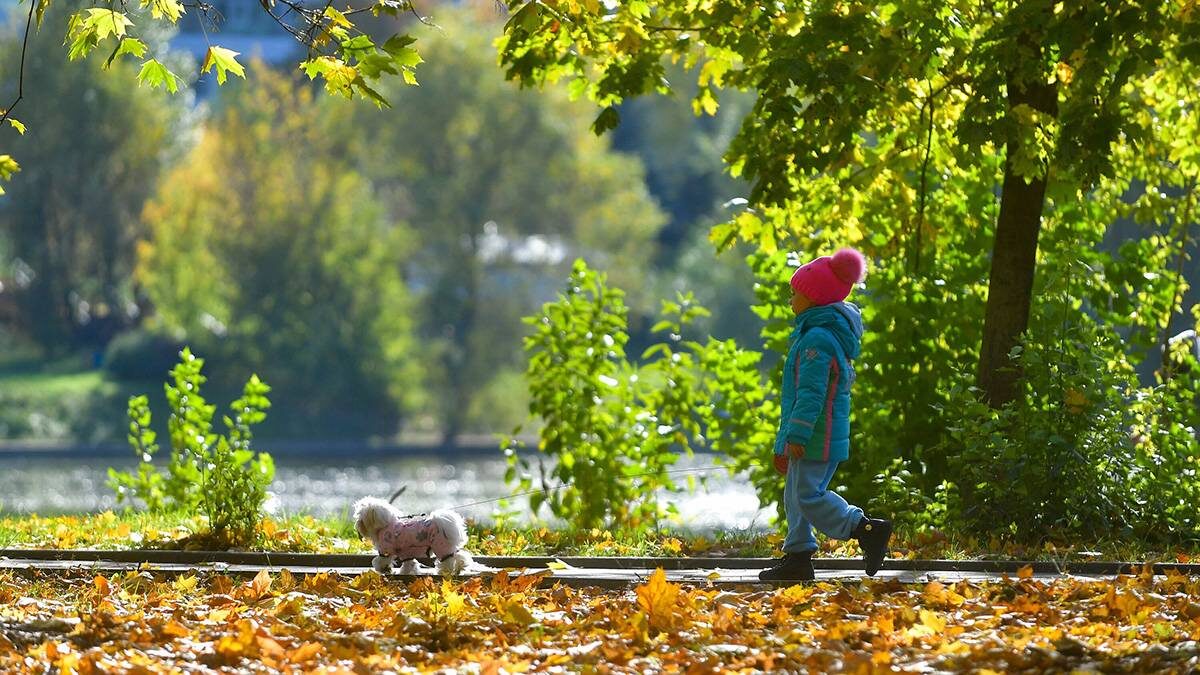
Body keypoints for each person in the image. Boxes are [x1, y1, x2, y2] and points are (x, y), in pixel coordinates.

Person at [759, 247, 892, 582]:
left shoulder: (817, 340)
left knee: (808, 495)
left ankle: (865, 529)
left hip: (818, 434)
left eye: (795, 293)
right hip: (810, 434)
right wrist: (783, 443)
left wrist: (798, 435)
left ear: (814, 298)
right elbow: (796, 397)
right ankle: (798, 557)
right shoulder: (812, 335)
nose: (791, 300)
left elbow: (811, 395)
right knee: (796, 494)